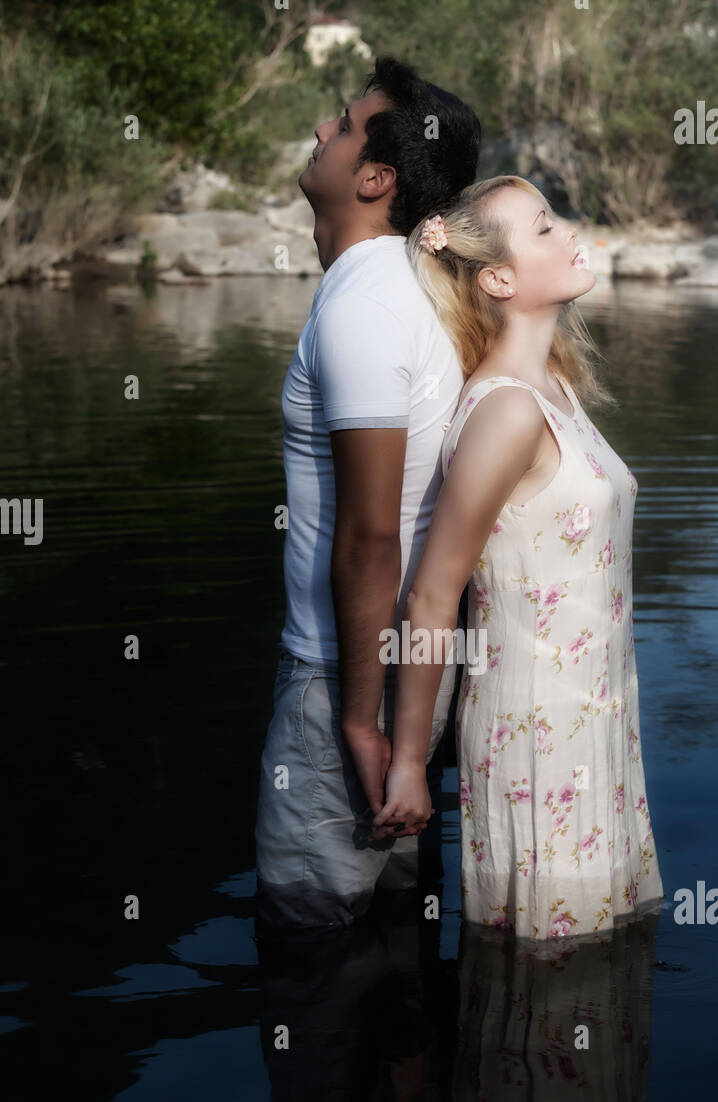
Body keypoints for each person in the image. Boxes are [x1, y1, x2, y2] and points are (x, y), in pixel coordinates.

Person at [372, 176, 665, 942]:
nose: (570, 233)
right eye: (543, 228)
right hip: (537, 741)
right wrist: (408, 762)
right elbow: (432, 596)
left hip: (595, 723)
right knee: (548, 989)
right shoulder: (506, 409)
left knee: (597, 973)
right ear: (498, 279)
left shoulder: (557, 385)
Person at [254, 57, 482, 932]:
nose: (322, 132)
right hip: (394, 670)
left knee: (310, 941)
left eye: (343, 125)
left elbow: (369, 535)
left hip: (346, 675)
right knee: (387, 941)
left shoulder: (369, 302)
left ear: (376, 178)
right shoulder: (394, 288)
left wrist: (355, 719)